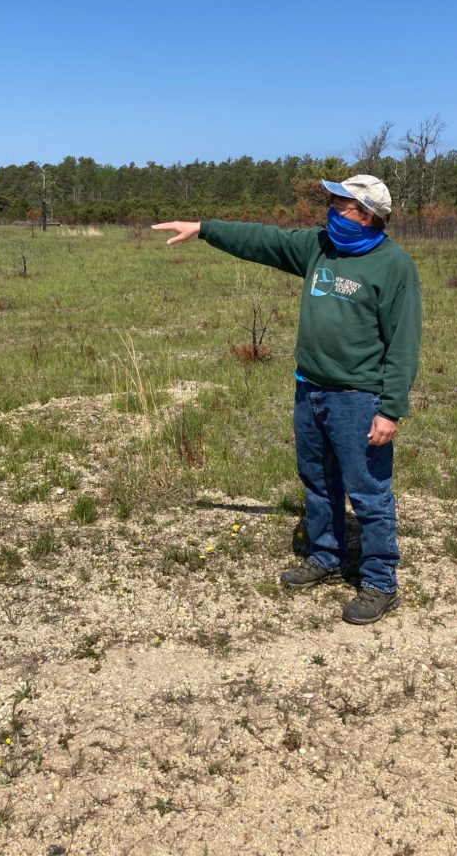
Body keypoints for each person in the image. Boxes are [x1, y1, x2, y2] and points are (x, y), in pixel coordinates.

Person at [152, 174, 421, 625]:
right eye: (331, 203)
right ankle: (326, 557)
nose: (330, 212)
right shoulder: (319, 248)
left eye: (341, 205)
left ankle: (379, 581)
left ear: (368, 215)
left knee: (369, 492)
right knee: (316, 481)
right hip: (309, 388)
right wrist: (204, 227)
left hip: (358, 398)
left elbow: (403, 343)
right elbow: (264, 240)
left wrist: (390, 409)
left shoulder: (394, 265)